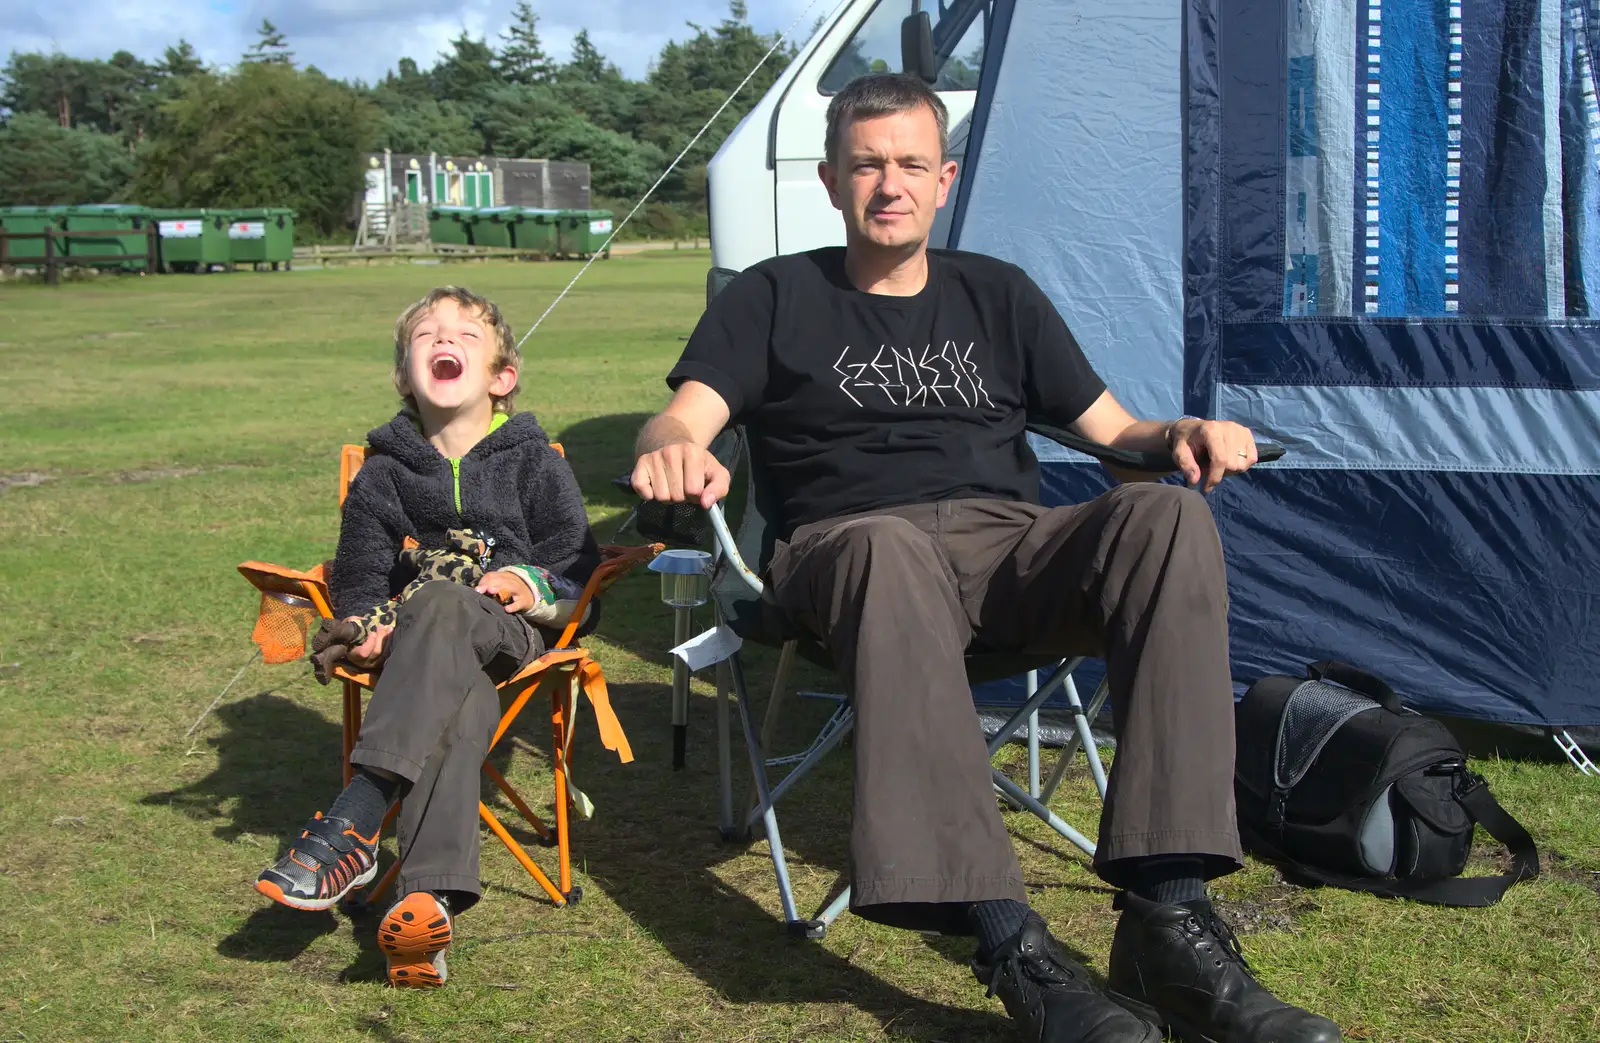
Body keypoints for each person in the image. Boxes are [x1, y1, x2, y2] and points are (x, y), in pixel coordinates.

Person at [630, 74, 1342, 1043]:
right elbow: (687, 411)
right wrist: (670, 443)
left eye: (911, 164)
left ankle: (1167, 918)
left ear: (943, 178)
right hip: (846, 553)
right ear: (831, 179)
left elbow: (1114, 428)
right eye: (868, 164)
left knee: (1164, 521)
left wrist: (1183, 428)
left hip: (1003, 548)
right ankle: (1012, 943)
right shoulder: (772, 295)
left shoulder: (996, 292)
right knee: (886, 547)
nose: (890, 183)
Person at [254, 286, 601, 990]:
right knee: (460, 693)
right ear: (406, 374)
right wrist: (362, 624)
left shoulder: (534, 463)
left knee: (445, 604)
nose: (445, 340)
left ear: (501, 378)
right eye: (427, 335)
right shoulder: (383, 476)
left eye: (467, 334)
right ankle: (427, 900)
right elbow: (358, 577)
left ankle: (357, 815)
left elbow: (577, 578)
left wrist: (529, 588)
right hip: (418, 651)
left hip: (509, 631)